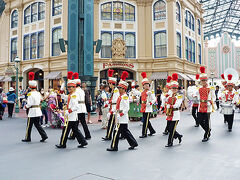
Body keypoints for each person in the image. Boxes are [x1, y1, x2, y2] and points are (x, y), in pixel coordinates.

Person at [107, 71, 138, 151]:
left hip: (121, 117)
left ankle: (114, 147)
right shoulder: (120, 97)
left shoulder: (124, 97)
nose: (118, 89)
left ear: (124, 89)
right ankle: (133, 143)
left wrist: (120, 115)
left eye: (120, 88)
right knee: (125, 132)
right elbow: (117, 107)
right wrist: (111, 112)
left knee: (116, 132)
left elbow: (126, 108)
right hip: (119, 116)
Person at [56, 71, 88, 149]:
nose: (69, 88)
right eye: (68, 87)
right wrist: (61, 91)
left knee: (65, 130)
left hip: (71, 115)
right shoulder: (71, 95)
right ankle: (83, 142)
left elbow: (76, 106)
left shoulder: (74, 95)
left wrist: (68, 111)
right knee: (75, 130)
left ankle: (63, 144)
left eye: (71, 87)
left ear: (74, 87)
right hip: (72, 116)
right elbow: (65, 97)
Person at [22, 72, 48, 142]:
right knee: (37, 125)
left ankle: (27, 138)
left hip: (32, 111)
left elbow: (30, 103)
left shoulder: (30, 94)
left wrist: (26, 106)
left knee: (29, 126)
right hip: (38, 110)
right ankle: (44, 135)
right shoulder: (38, 93)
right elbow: (41, 100)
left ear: (30, 87)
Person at [195, 67, 216, 142]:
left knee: (207, 121)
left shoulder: (210, 88)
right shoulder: (199, 88)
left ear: (206, 80)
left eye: (204, 80)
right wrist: (196, 97)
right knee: (199, 120)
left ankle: (206, 135)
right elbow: (197, 95)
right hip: (201, 106)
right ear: (200, 81)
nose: (203, 81)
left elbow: (213, 97)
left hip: (207, 106)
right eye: (202, 80)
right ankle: (208, 130)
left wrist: (209, 102)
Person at [69, 72, 91, 140]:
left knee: (75, 123)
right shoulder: (82, 90)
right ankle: (87, 135)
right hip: (82, 107)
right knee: (83, 122)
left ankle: (73, 136)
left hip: (78, 107)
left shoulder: (75, 91)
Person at [165, 73, 183, 147]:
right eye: (172, 88)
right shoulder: (169, 96)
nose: (174, 90)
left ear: (177, 89)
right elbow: (165, 101)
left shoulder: (179, 96)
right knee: (169, 129)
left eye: (175, 88)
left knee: (172, 130)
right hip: (169, 114)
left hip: (175, 114)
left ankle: (170, 142)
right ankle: (178, 136)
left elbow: (177, 105)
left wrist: (171, 106)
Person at [102, 69, 120, 141]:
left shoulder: (116, 90)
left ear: (111, 84)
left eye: (109, 84)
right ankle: (108, 135)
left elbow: (116, 100)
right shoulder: (113, 90)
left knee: (111, 123)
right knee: (111, 123)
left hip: (114, 108)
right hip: (112, 107)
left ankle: (109, 136)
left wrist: (109, 102)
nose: (109, 85)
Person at [139, 72, 156, 138]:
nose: (147, 86)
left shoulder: (151, 92)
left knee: (145, 122)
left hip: (148, 108)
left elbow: (154, 99)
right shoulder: (142, 92)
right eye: (145, 85)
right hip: (143, 107)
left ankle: (144, 133)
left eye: (147, 85)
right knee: (146, 121)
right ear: (143, 86)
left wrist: (150, 103)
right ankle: (152, 131)